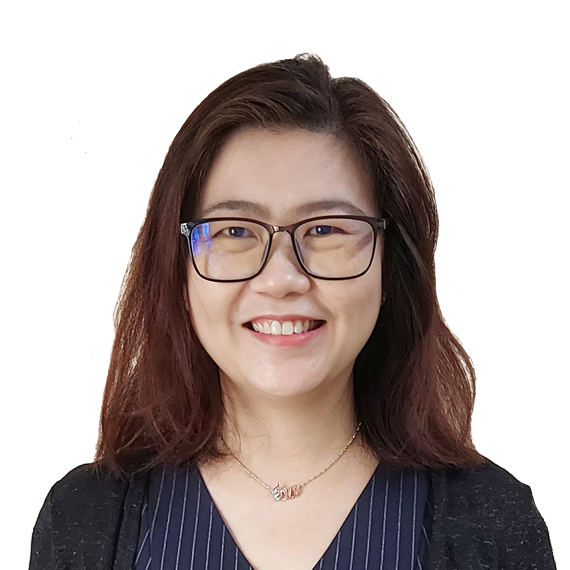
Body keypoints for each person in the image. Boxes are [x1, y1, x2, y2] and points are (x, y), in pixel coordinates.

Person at [29, 53, 557, 570]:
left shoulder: (494, 525)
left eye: (326, 229)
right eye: (235, 231)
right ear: (177, 269)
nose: (282, 279)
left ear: (390, 266)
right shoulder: (84, 519)